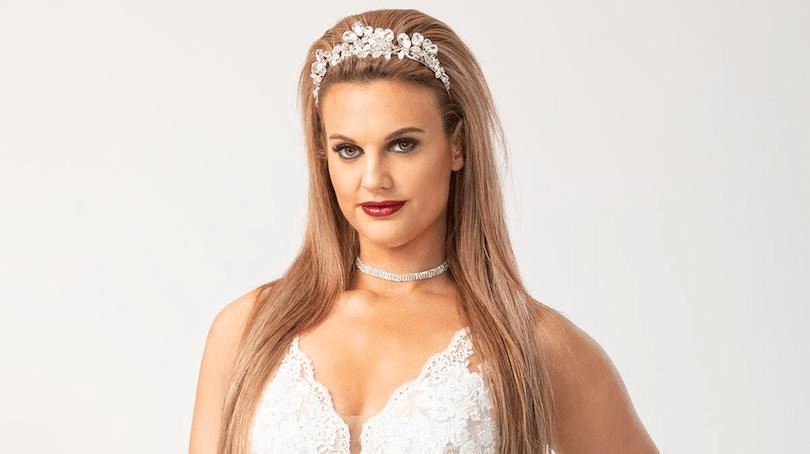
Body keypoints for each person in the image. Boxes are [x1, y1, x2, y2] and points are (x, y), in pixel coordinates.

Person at [189, 8, 659, 454]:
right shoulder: (248, 329)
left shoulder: (532, 345)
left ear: (457, 146)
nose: (374, 179)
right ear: (323, 156)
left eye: (402, 145)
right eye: (349, 150)